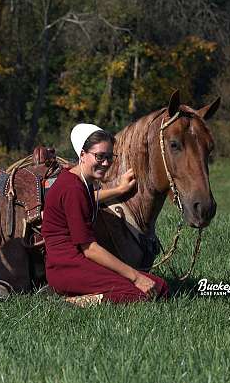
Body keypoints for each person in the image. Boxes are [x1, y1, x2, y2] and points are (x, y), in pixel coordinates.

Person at [41, 123, 168, 303]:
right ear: (83, 155)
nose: (106, 163)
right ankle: (74, 302)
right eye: (100, 156)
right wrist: (136, 277)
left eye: (109, 157)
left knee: (159, 286)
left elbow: (88, 200)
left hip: (73, 265)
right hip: (68, 268)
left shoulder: (78, 182)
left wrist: (119, 189)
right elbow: (89, 249)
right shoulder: (73, 188)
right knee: (143, 293)